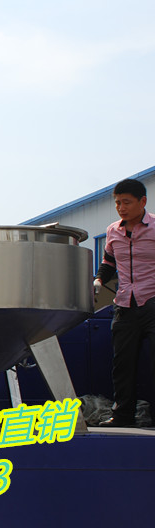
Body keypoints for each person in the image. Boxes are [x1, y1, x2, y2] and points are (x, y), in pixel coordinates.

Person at [95, 178, 155, 427]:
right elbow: (109, 262)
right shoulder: (113, 231)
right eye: (118, 203)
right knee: (122, 364)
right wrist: (99, 279)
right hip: (124, 306)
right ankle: (122, 416)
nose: (121, 208)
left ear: (143, 201)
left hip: (152, 302)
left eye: (127, 202)